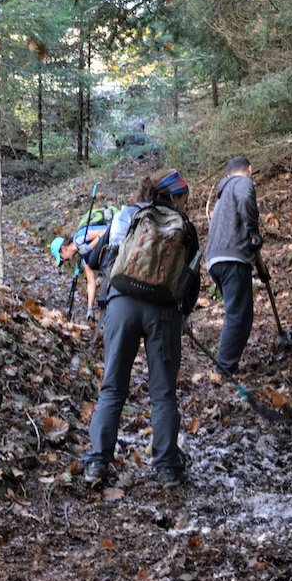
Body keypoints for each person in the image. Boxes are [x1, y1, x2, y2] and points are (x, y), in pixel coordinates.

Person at [81, 169, 200, 489]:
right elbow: (192, 283)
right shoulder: (184, 228)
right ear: (173, 197)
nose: (185, 204)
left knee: (113, 387)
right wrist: (180, 316)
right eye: (183, 199)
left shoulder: (125, 215)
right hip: (163, 314)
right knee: (163, 394)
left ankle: (96, 463)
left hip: (121, 306)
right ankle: (166, 469)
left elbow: (93, 258)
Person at [203, 156, 267, 376]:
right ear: (250, 169)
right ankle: (224, 370)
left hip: (214, 259)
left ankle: (224, 365)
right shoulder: (242, 183)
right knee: (239, 316)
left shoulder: (222, 197)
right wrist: (254, 232)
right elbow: (245, 197)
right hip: (233, 258)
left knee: (235, 313)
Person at [50, 206, 113, 321]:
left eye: (62, 258)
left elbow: (105, 231)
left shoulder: (80, 237)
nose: (64, 261)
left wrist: (89, 246)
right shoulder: (83, 257)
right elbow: (90, 282)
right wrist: (90, 309)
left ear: (63, 249)